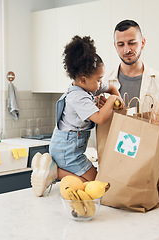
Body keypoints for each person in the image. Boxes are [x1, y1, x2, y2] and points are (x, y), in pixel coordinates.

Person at [31, 35, 123, 197]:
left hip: (68, 147)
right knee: (94, 184)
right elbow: (100, 118)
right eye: (99, 80)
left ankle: (52, 170)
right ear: (83, 79)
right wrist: (112, 101)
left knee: (93, 183)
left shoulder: (89, 86)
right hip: (67, 150)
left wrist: (118, 99)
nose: (101, 84)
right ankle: (55, 173)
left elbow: (112, 88)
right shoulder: (78, 96)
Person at [101, 19, 159, 111]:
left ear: (142, 43)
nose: (127, 50)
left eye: (131, 43)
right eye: (121, 44)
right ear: (115, 47)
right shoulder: (104, 81)